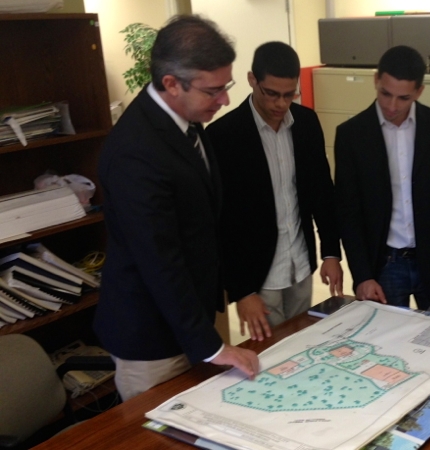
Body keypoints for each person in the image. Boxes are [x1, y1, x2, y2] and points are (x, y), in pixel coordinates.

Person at [94, 15, 259, 401]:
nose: (225, 100)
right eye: (213, 90)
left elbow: (207, 224)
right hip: (151, 337)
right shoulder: (134, 152)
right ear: (171, 84)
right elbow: (159, 261)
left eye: (226, 87)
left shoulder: (187, 118)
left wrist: (240, 291)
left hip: (189, 323)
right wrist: (212, 347)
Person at [207, 41, 342, 342]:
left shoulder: (306, 123)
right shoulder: (223, 136)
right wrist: (242, 291)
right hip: (259, 273)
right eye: (271, 93)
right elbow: (224, 221)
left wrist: (331, 252)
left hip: (300, 262)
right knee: (271, 351)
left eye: (289, 94)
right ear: (252, 80)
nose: (280, 104)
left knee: (302, 342)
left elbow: (322, 192)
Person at [334, 45, 430, 310]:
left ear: (419, 91)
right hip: (385, 264)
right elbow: (349, 212)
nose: (392, 106)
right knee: (387, 333)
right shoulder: (352, 135)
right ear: (376, 80)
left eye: (403, 98)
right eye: (385, 93)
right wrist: (362, 275)